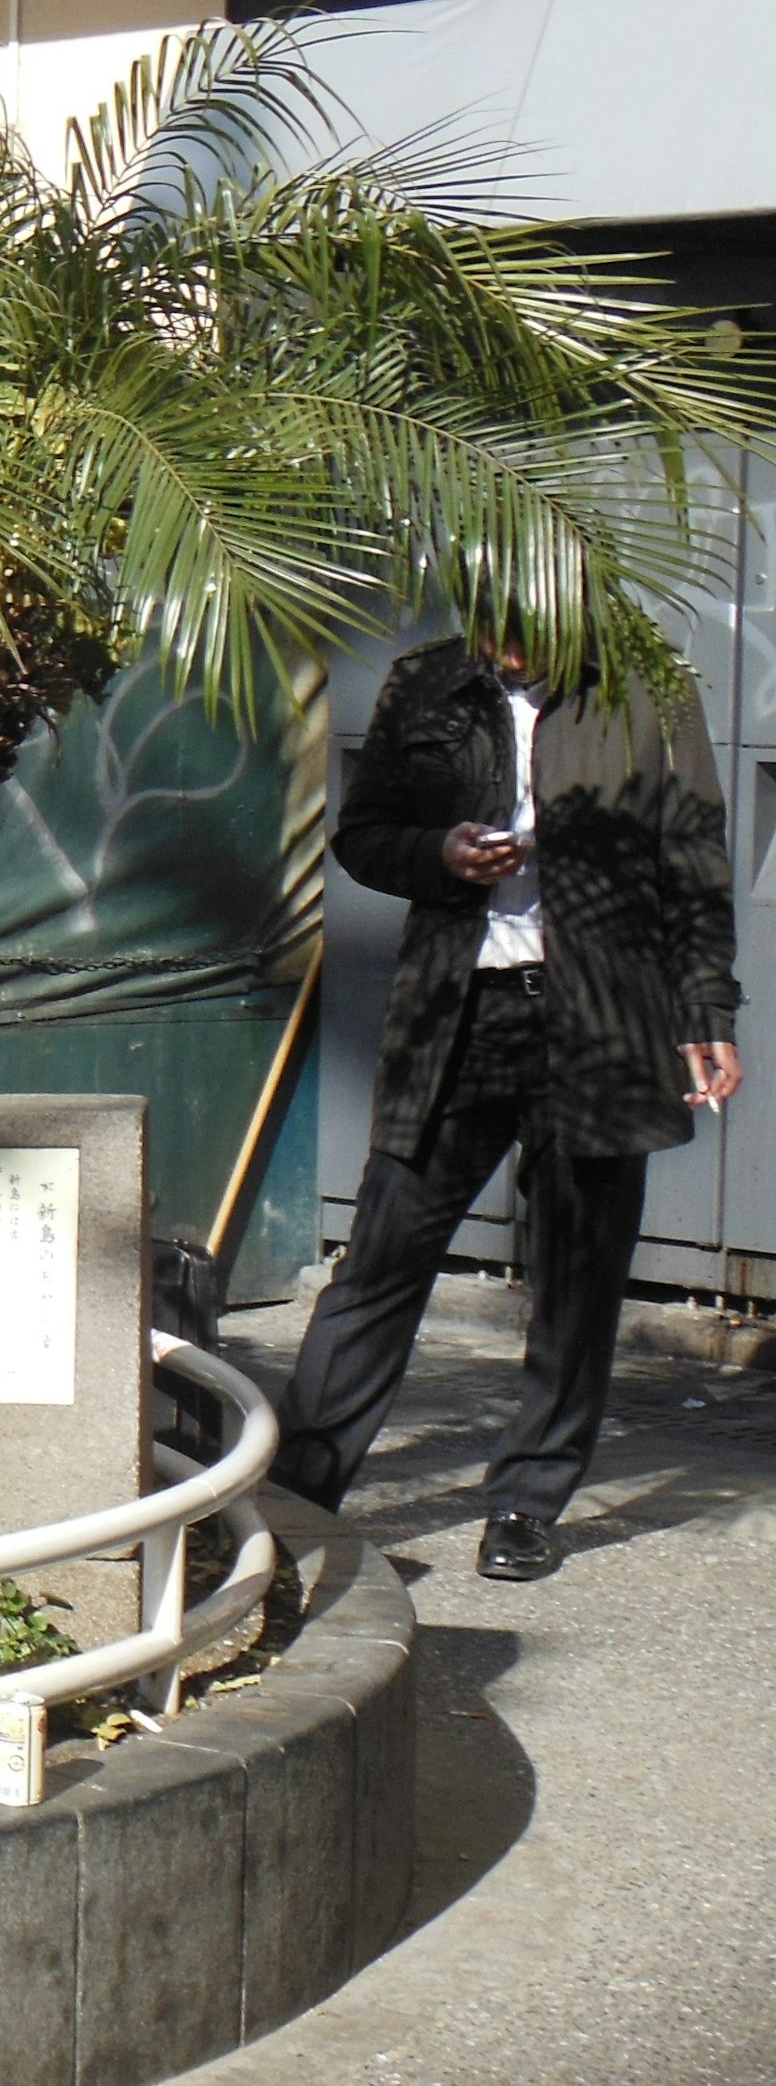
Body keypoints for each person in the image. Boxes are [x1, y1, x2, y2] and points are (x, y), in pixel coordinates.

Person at [272, 624, 744, 1581]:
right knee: (379, 1261)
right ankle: (294, 1500)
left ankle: (529, 1499)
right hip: (458, 1013)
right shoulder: (428, 684)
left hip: (601, 1018)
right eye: (496, 631)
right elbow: (362, 837)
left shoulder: (647, 685)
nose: (513, 652)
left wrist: (706, 1009)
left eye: (534, 633)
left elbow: (692, 856)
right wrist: (438, 851)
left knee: (579, 1276)